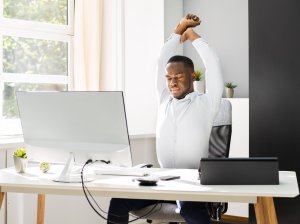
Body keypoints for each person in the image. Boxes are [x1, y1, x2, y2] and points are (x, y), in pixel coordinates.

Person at [107, 14, 223, 224]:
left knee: (191, 212)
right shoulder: (163, 101)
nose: (172, 82)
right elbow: (161, 61)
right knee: (118, 202)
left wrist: (192, 36)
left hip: (192, 182)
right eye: (169, 78)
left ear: (192, 77)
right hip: (163, 179)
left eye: (178, 76)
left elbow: (213, 63)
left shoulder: (207, 103)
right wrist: (178, 31)